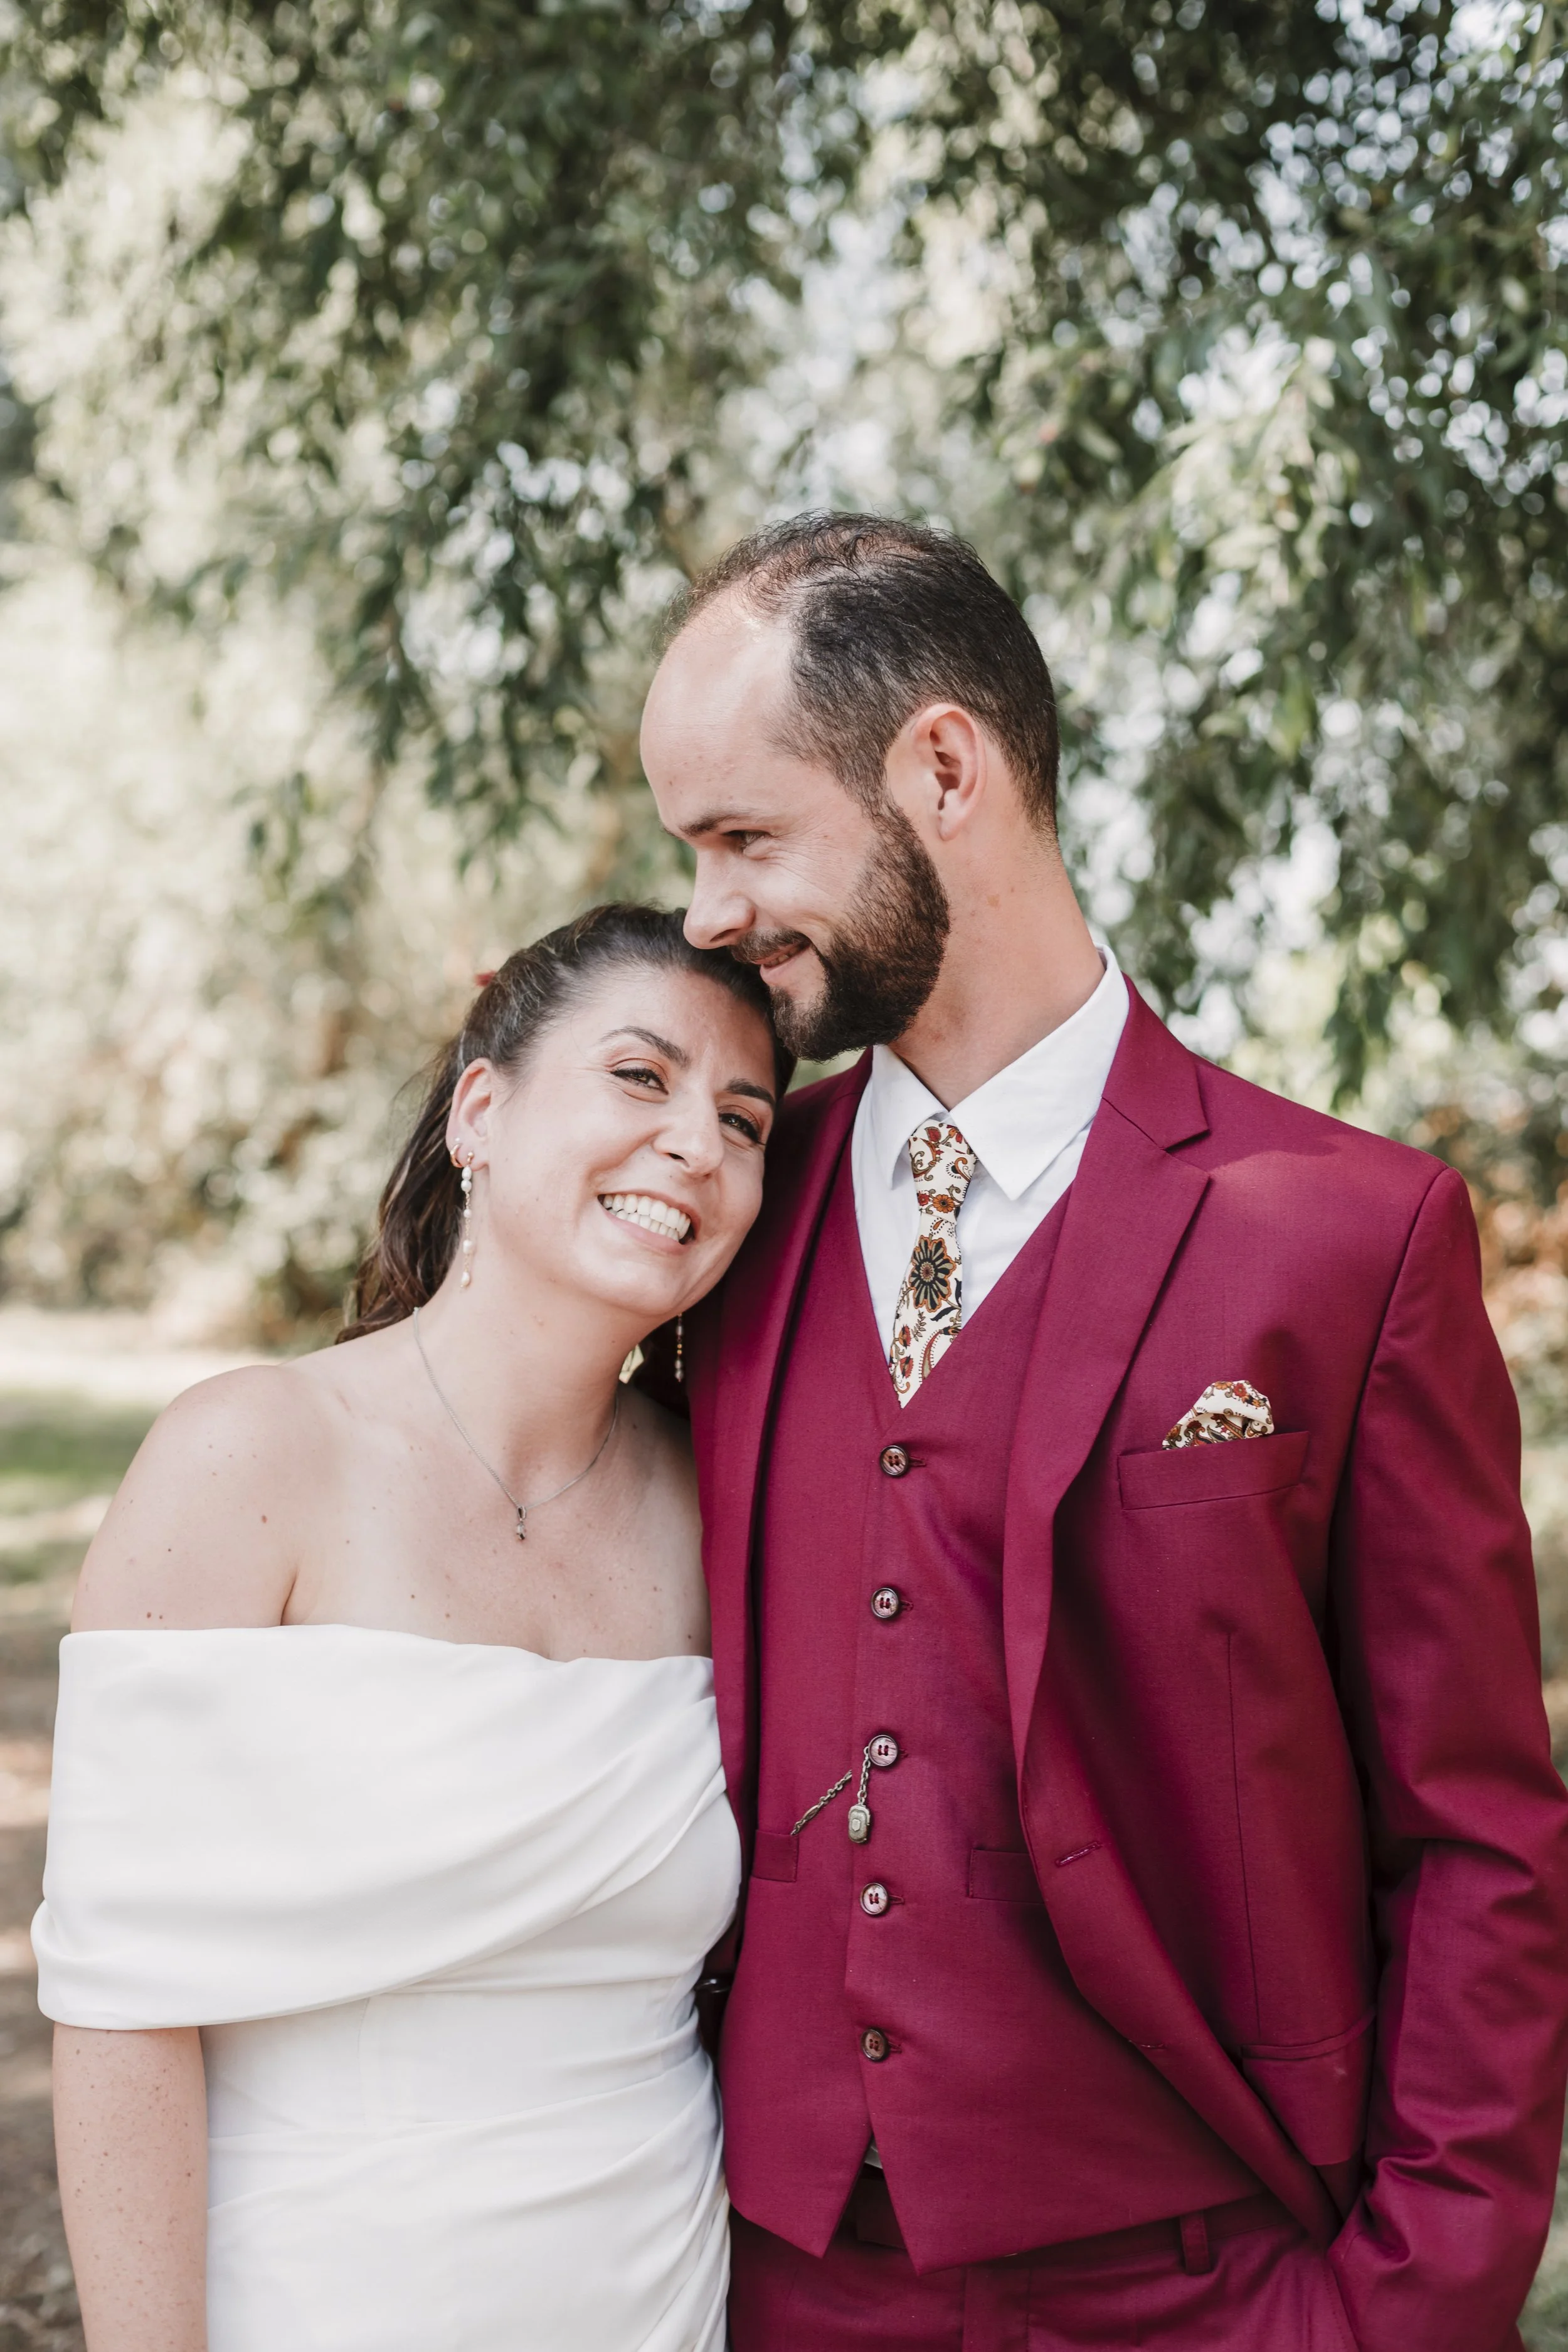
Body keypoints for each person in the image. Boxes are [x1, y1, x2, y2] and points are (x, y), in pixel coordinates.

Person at [637, 514, 1568, 2352]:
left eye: (743, 837)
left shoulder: (1346, 1231)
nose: (706, 916)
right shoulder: (724, 1223)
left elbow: (1477, 1841)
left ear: (943, 768)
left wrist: (1403, 2303)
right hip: (780, 2268)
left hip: (1208, 2275)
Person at [34, 904, 789, 2352]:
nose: (698, 1142)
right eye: (641, 1077)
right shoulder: (248, 1459)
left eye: (744, 1120)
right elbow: (121, 2014)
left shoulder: (724, 1509)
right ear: (481, 1113)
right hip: (308, 2297)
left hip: (656, 2303)